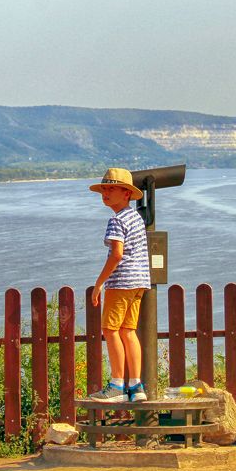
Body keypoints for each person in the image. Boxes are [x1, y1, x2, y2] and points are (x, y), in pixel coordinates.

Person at [87, 167, 150, 403]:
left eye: (111, 188)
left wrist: (99, 283)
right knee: (128, 331)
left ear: (126, 193)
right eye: (104, 189)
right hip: (140, 282)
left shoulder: (116, 220)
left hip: (121, 281)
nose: (105, 193)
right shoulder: (136, 218)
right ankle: (136, 386)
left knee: (110, 330)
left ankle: (116, 385)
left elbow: (116, 254)